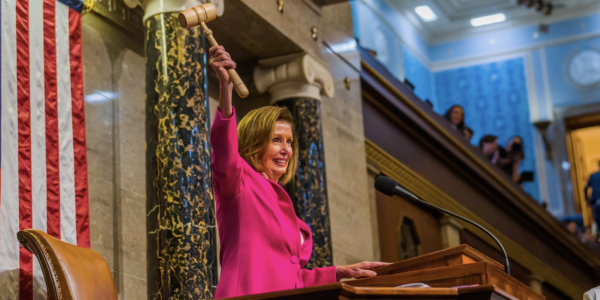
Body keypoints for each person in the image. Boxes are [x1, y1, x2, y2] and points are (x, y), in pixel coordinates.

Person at [208, 45, 390, 298]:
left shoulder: (282, 201)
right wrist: (226, 89)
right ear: (254, 142)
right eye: (276, 140)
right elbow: (223, 147)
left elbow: (291, 277)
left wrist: (339, 272)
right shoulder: (238, 181)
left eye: (289, 142)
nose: (285, 149)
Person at [585, 162, 600, 226]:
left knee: (597, 221)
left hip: (595, 200)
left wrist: (587, 199)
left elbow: (585, 188)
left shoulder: (592, 176)